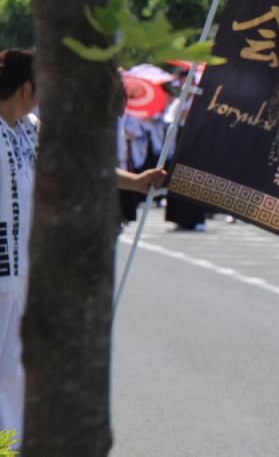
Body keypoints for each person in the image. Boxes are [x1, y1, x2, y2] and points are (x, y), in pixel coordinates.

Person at [0, 49, 165, 435]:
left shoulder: (30, 128)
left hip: (28, 270)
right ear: (27, 88)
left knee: (21, 367)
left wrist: (136, 182)